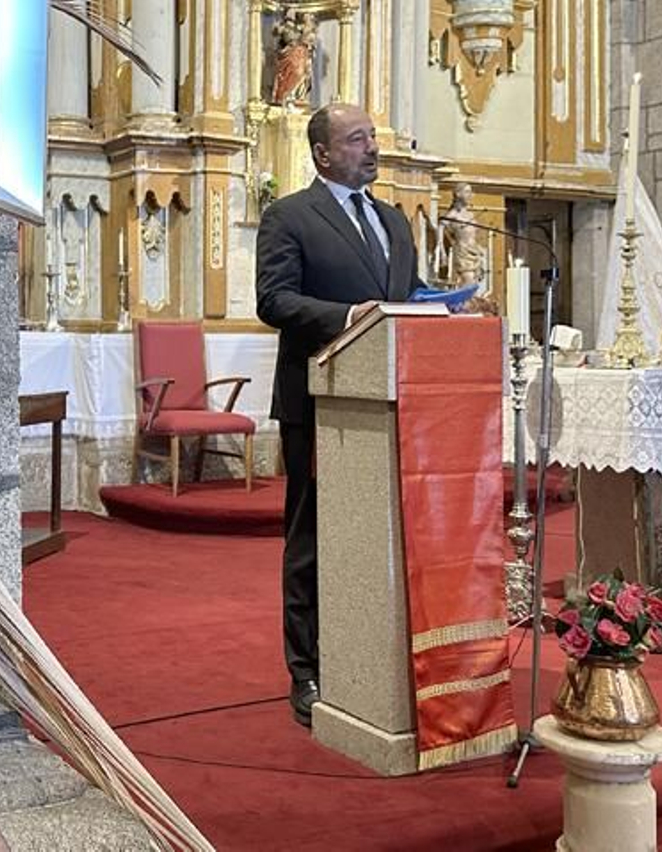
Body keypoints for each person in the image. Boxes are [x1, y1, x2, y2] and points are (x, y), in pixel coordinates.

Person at [255, 103, 423, 727]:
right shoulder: (291, 216)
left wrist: (452, 304)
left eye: (374, 137)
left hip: (391, 400)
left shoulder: (393, 221)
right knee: (312, 540)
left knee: (382, 537)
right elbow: (274, 300)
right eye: (357, 140)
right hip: (320, 401)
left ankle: (371, 655)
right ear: (323, 153)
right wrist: (348, 316)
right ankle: (308, 669)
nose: (372, 148)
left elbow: (408, 297)